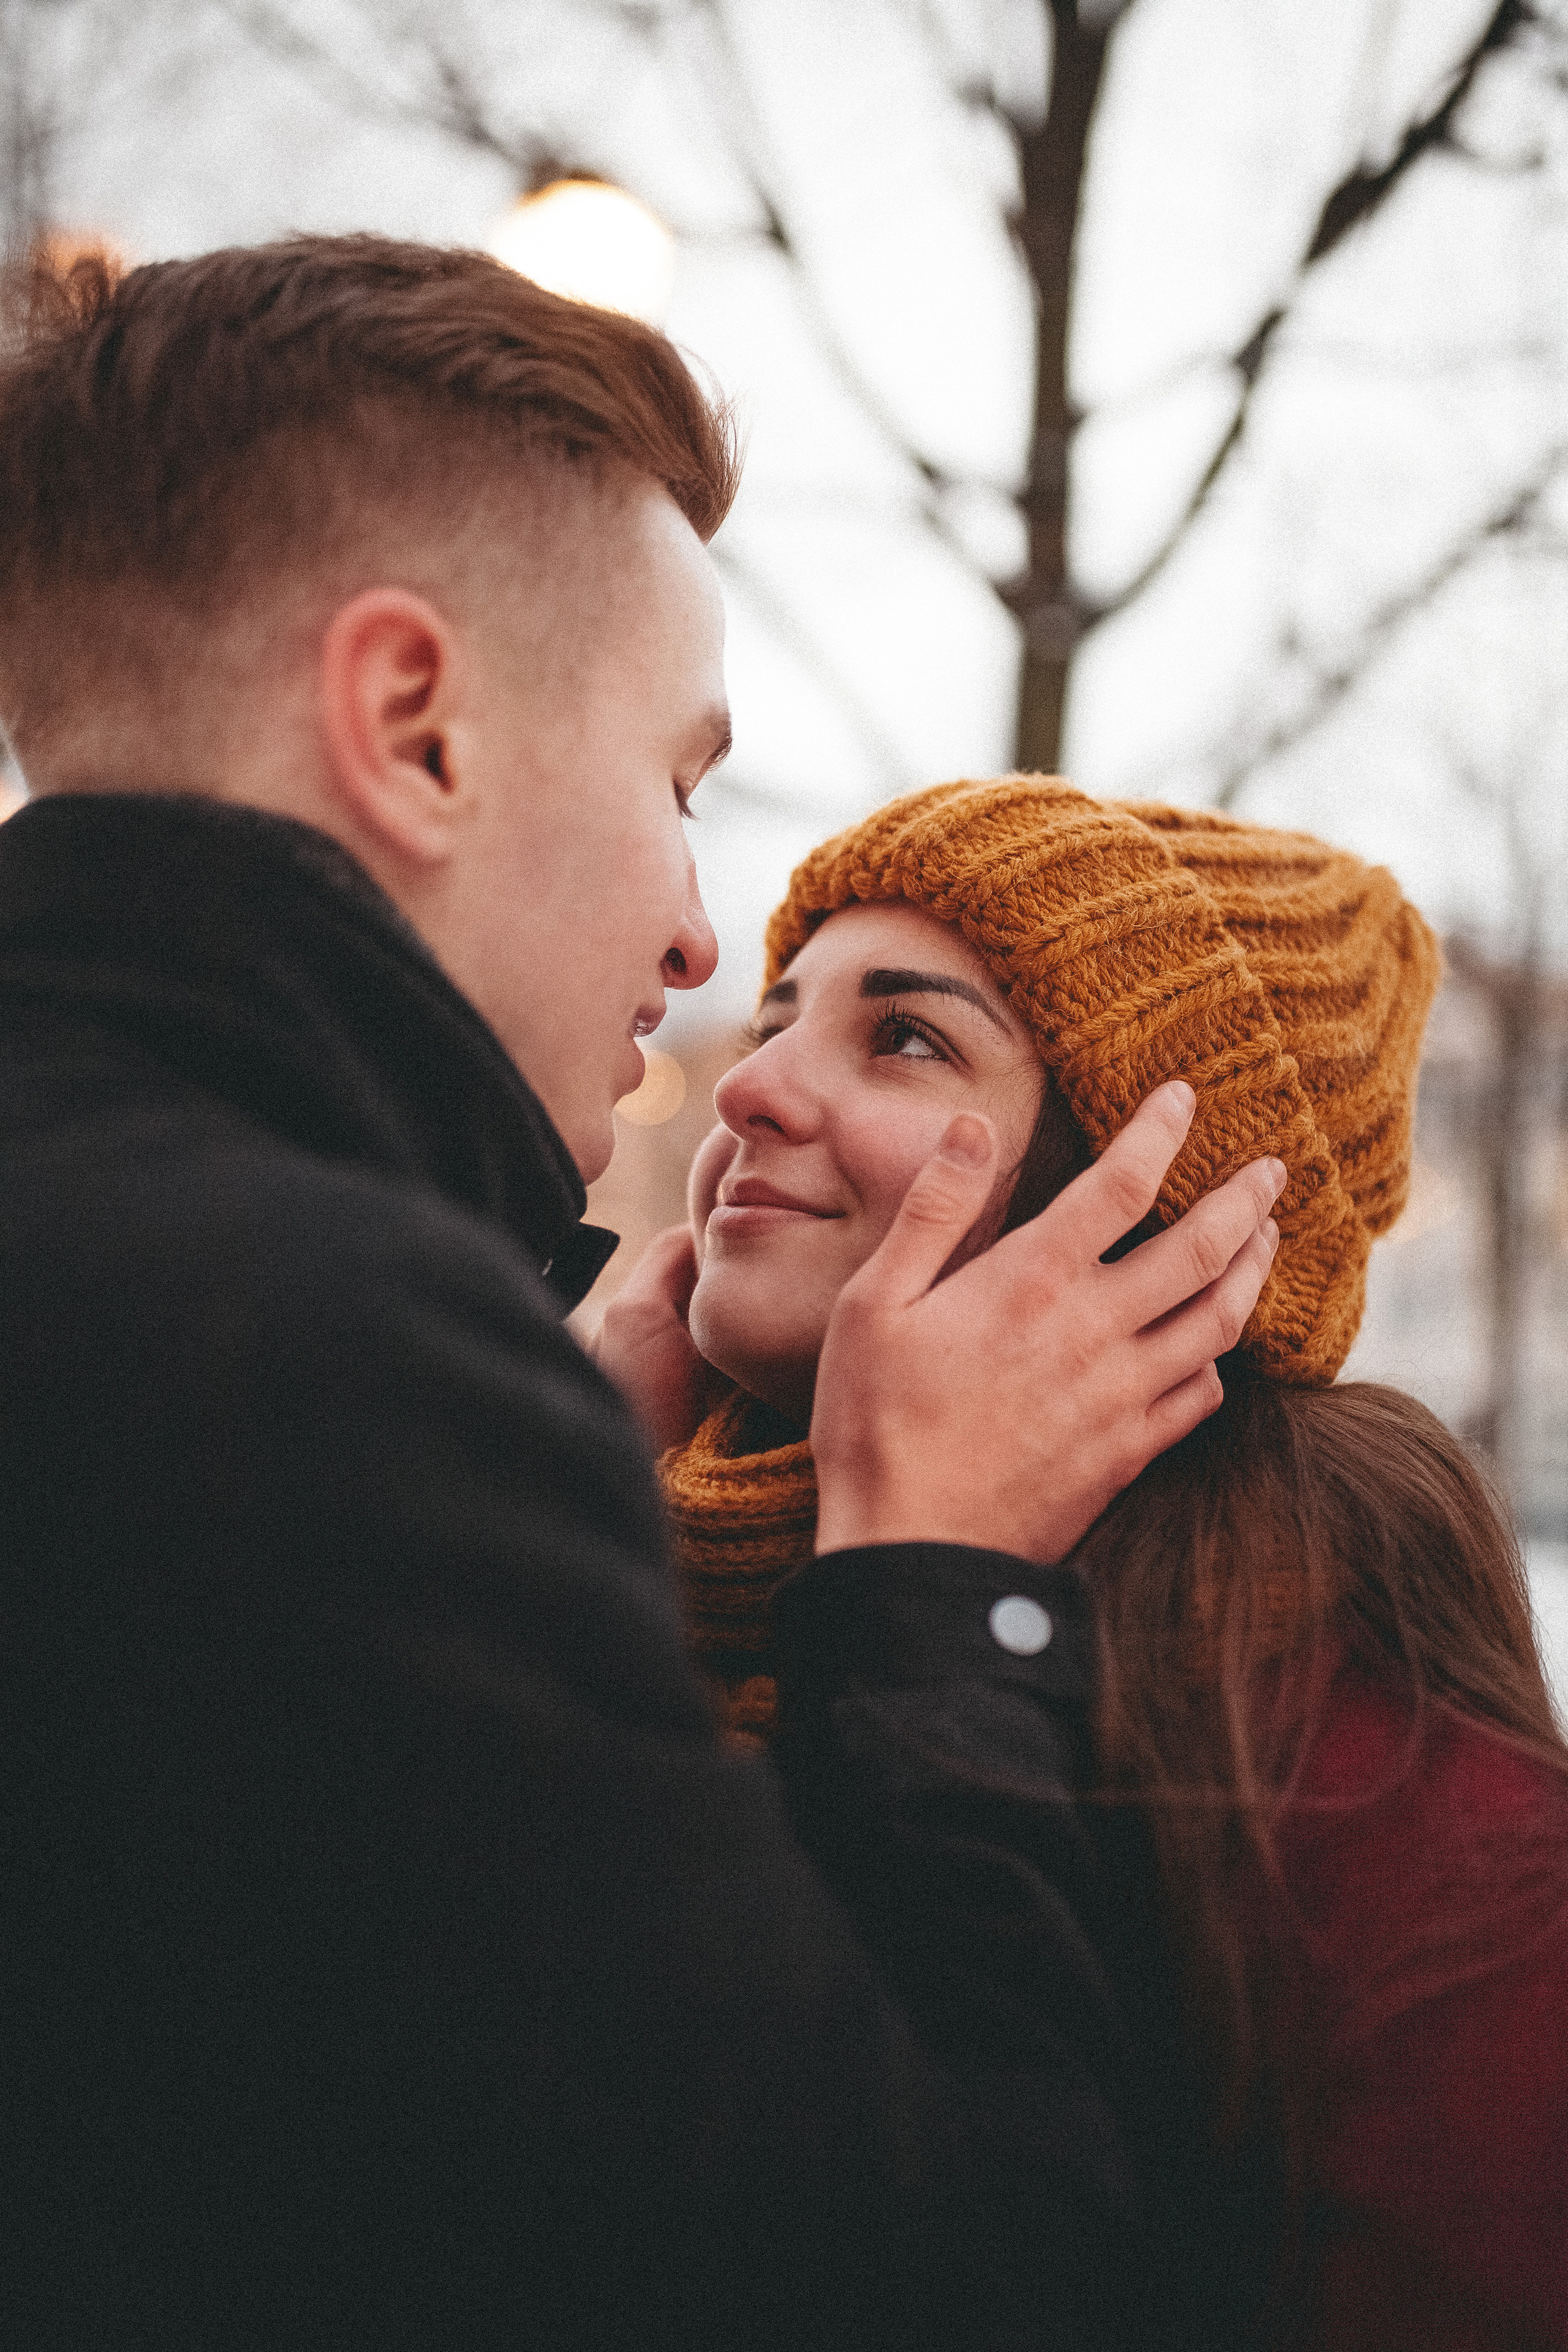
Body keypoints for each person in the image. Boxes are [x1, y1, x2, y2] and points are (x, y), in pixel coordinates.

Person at [0, 239, 1284, 2349]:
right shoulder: (330, 1390)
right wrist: (940, 1587)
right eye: (681, 784)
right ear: (413, 728)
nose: (700, 953)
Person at [604, 776, 1568, 2352]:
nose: (750, 1086)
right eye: (777, 1017)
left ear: (1147, 1226)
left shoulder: (1375, 1802)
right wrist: (554, 1502)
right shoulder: (626, 1592)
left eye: (900, 1035)